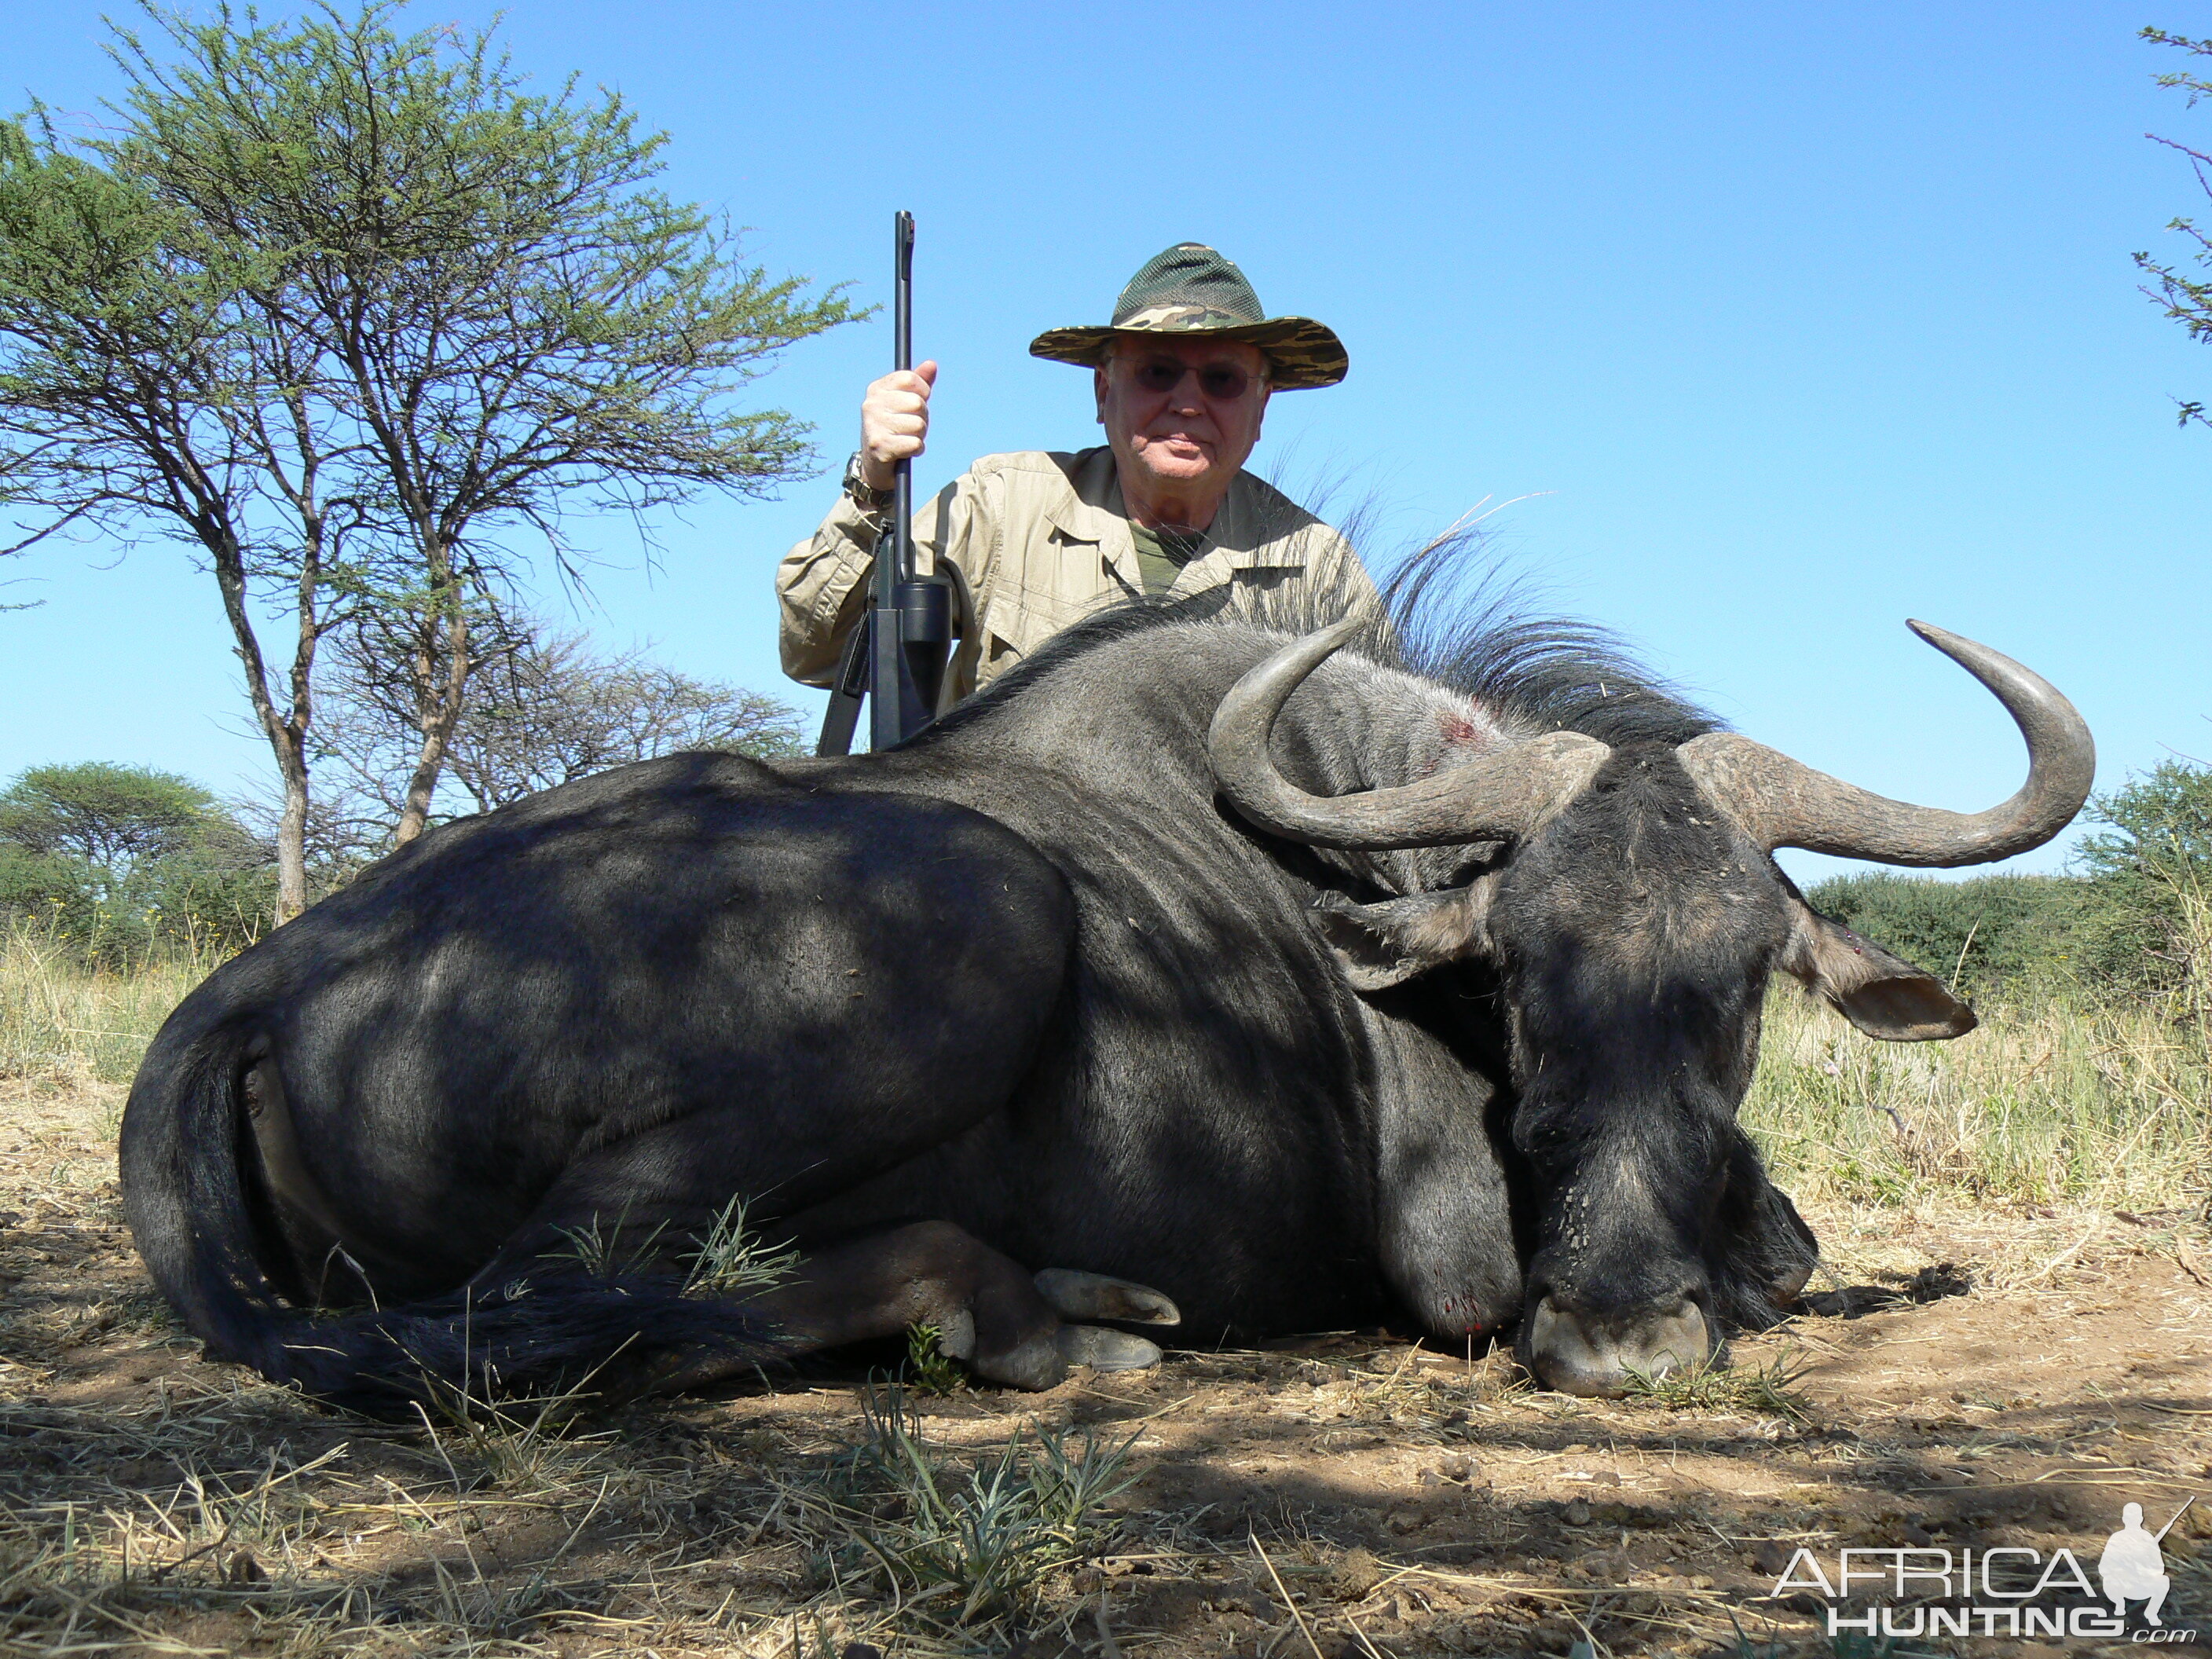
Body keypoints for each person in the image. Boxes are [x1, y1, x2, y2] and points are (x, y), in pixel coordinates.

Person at [777, 242, 1381, 706]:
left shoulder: (1319, 567)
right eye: (1158, 373)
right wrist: (874, 483)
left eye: (1221, 379)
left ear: (1261, 409)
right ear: (1103, 389)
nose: (1188, 402)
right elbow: (817, 652)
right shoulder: (1000, 504)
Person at [2099, 1502, 2172, 1624]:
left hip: (2143, 1584)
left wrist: (2145, 1571)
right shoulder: (2117, 1538)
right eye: (2129, 1517)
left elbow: (2159, 1568)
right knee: (2108, 1580)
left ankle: (2151, 1613)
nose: (2132, 1521)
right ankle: (2119, 1605)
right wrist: (2121, 1571)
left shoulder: (2148, 1538)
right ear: (2124, 1519)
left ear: (2141, 1519)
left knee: (2164, 1581)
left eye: (2135, 1517)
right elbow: (2104, 1567)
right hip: (2121, 1584)